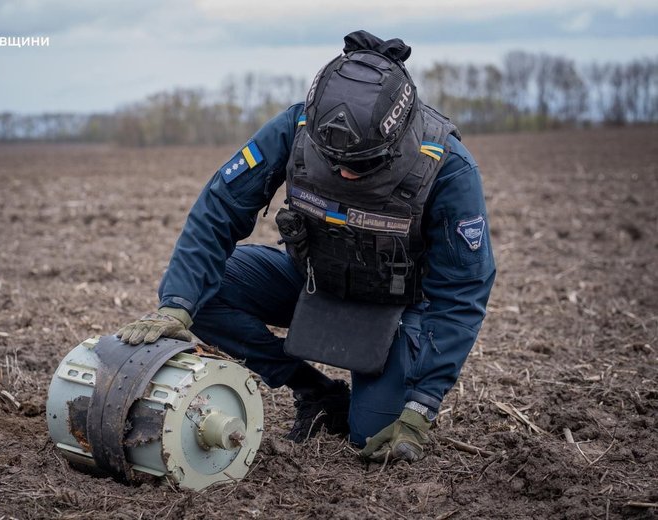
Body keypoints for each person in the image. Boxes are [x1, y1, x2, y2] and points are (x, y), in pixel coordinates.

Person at [117, 31, 496, 463]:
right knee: (196, 290)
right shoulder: (296, 127)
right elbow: (219, 206)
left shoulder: (447, 165)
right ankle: (314, 391)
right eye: (333, 162)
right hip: (313, 280)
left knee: (371, 438)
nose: (344, 174)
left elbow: (463, 290)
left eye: (360, 165)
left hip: (396, 306)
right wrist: (176, 305)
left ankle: (379, 402)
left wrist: (421, 406)